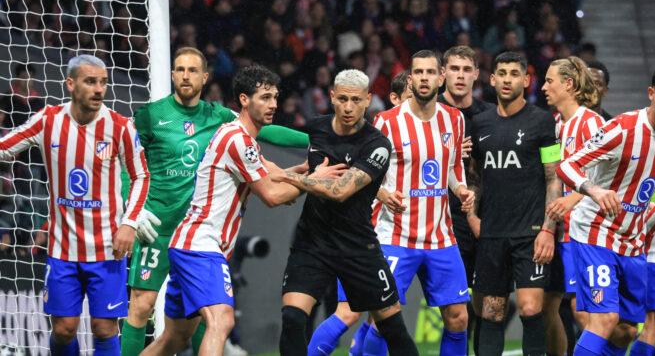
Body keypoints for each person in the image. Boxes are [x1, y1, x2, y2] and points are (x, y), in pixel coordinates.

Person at [121, 47, 309, 356]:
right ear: (172, 74)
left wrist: (311, 146)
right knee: (176, 312)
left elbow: (268, 146)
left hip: (192, 234)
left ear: (205, 77)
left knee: (179, 335)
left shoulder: (220, 118)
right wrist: (132, 211)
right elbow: (127, 158)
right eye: (180, 69)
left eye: (193, 70)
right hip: (163, 227)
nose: (186, 76)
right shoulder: (152, 115)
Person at [0, 54, 149, 355]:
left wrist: (129, 223)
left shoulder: (120, 127)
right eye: (90, 81)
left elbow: (141, 176)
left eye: (103, 82)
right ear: (70, 84)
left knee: (104, 328)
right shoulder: (48, 120)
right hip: (62, 248)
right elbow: (4, 148)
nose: (99, 89)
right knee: (64, 329)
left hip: (108, 247)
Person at [276, 69, 419, 356]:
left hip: (357, 245)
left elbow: (340, 190)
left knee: (392, 327)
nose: (349, 107)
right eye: (342, 99)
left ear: (368, 99)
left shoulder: (377, 144)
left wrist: (288, 177)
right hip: (312, 242)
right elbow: (296, 154)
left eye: (356, 100)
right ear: (332, 97)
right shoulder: (316, 129)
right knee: (292, 318)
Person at [557, 62, 655, 355]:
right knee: (605, 319)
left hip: (633, 241)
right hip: (595, 231)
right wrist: (593, 190)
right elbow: (567, 165)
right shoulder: (622, 128)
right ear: (651, 94)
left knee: (627, 330)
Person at [368, 50, 475, 354]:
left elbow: (453, 165)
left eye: (430, 72)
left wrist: (461, 189)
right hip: (396, 235)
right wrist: (382, 194)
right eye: (418, 72)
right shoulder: (386, 121)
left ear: (441, 78)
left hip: (441, 238)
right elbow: (366, 172)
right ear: (410, 79)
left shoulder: (455, 119)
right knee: (382, 318)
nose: (424, 78)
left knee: (458, 318)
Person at [467, 51, 561, 355]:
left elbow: (553, 178)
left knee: (531, 309)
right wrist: (472, 216)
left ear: (526, 80)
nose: (508, 80)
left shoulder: (542, 121)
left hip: (530, 234)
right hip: (492, 233)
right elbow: (475, 178)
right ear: (493, 79)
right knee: (491, 312)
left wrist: (548, 229)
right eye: (502, 74)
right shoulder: (479, 123)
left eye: (514, 74)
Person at [542, 56, 604, 355]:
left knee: (583, 310)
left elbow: (604, 177)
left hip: (585, 230)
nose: (544, 87)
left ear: (568, 84)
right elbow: (551, 174)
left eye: (549, 81)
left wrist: (573, 198)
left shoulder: (591, 123)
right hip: (560, 230)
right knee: (547, 306)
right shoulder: (555, 125)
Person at [436, 45, 496, 353]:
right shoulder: (428, 112)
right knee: (455, 310)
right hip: (438, 223)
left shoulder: (490, 116)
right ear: (443, 73)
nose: (460, 75)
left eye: (466, 69)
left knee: (487, 303)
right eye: (454, 69)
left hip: (486, 221)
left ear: (476, 75)